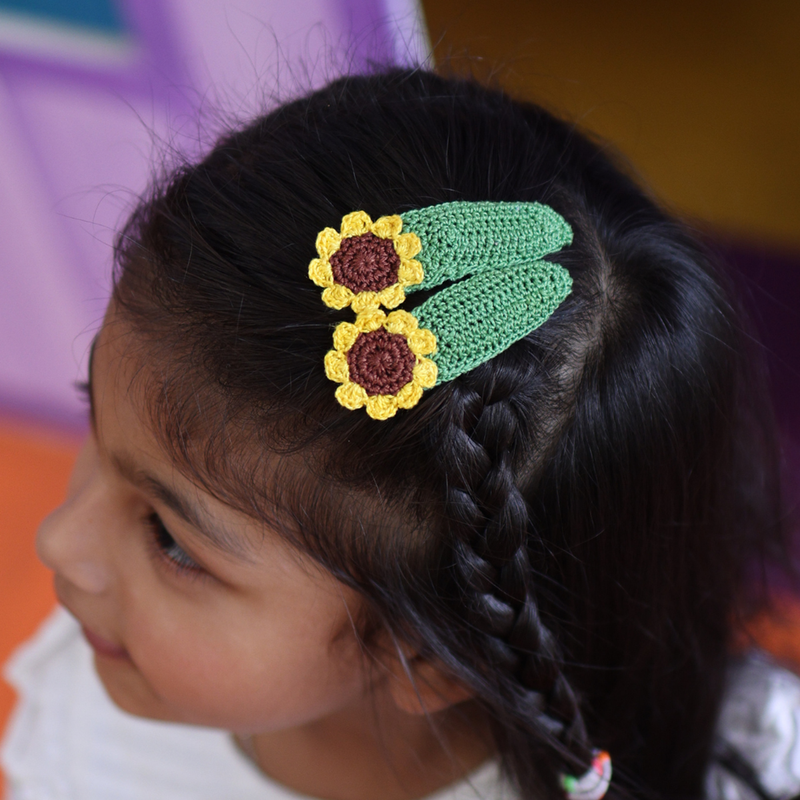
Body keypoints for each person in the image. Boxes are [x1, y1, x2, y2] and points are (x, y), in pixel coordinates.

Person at [2, 68, 798, 800]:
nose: (59, 544)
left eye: (170, 540)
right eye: (91, 413)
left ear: (426, 657)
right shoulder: (102, 689)